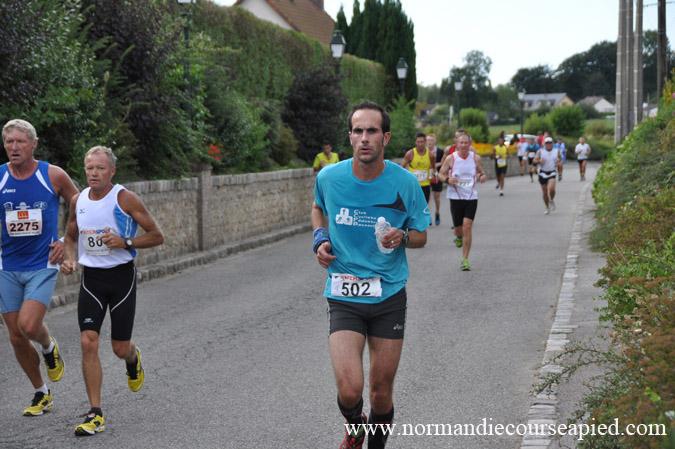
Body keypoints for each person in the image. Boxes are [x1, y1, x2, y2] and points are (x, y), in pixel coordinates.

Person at [311, 101, 428, 449]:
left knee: (380, 392)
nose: (364, 138)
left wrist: (402, 236)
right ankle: (355, 427)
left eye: (372, 131)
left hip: (388, 295)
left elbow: (421, 235)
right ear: (350, 136)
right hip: (343, 292)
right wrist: (320, 237)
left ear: (385, 137)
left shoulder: (405, 183)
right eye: (358, 131)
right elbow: (318, 207)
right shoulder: (329, 177)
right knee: (349, 391)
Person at [61, 146, 164, 436]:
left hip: (121, 278)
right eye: (89, 168)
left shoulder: (124, 198)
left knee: (120, 348)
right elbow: (70, 236)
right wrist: (69, 259)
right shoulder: (78, 200)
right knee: (88, 341)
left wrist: (125, 242)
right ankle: (95, 412)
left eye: (100, 168)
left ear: (112, 171)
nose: (94, 173)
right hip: (92, 279)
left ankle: (132, 358)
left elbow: (157, 236)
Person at [0, 119, 79, 416]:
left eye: (20, 141)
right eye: (9, 142)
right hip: (7, 265)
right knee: (16, 336)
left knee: (29, 325)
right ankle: (41, 392)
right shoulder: (0, 177)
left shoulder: (52, 175)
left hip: (43, 262)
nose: (14, 147)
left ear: (33, 144)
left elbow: (79, 201)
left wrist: (65, 240)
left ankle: (48, 346)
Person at [438, 132, 487, 271]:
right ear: (457, 144)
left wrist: (482, 176)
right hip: (455, 197)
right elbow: (440, 174)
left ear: (470, 144)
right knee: (458, 230)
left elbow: (481, 172)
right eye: (461, 142)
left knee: (467, 226)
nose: (464, 145)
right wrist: (448, 179)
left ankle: (465, 259)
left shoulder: (475, 158)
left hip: (471, 196)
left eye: (466, 142)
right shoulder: (451, 158)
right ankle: (458, 237)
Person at [402, 132, 436, 224]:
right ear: (415, 142)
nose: (420, 144)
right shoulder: (410, 153)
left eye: (422, 142)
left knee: (424, 204)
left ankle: (424, 219)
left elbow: (433, 168)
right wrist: (405, 178)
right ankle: (414, 221)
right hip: (413, 185)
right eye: (418, 142)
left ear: (425, 142)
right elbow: (402, 167)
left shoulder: (430, 155)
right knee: (413, 204)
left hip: (425, 184)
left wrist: (433, 175)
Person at [534, 137, 562, 214]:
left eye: (550, 143)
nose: (548, 144)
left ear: (552, 143)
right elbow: (534, 160)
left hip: (552, 172)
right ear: (544, 144)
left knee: (552, 189)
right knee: (545, 193)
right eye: (547, 143)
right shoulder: (540, 151)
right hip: (542, 173)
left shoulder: (556, 151)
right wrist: (539, 161)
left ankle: (551, 200)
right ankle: (547, 207)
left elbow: (560, 159)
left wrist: (558, 161)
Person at [426, 134, 444, 225]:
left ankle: (437, 213)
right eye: (428, 140)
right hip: (426, 177)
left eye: (431, 140)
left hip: (437, 175)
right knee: (427, 197)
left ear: (435, 141)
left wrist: (435, 165)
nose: (429, 142)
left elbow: (444, 162)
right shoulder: (424, 151)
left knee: (436, 196)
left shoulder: (440, 151)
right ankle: (428, 216)